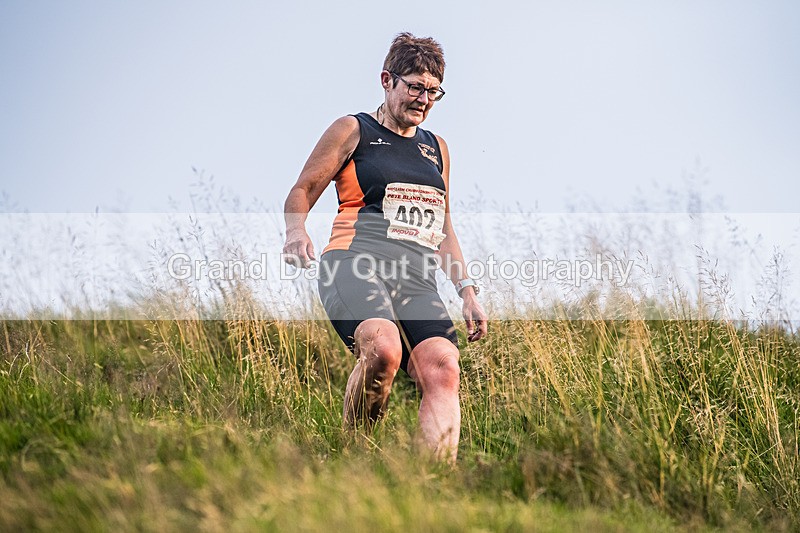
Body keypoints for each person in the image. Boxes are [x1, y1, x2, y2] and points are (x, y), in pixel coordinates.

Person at [282, 32, 487, 462]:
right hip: (353, 263)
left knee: (444, 368)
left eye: (433, 91)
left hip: (416, 277)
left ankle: (433, 483)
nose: (424, 99)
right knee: (383, 349)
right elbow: (302, 189)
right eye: (414, 86)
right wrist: (296, 231)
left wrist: (466, 289)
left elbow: (443, 225)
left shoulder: (436, 149)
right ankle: (354, 460)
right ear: (387, 80)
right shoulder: (353, 129)